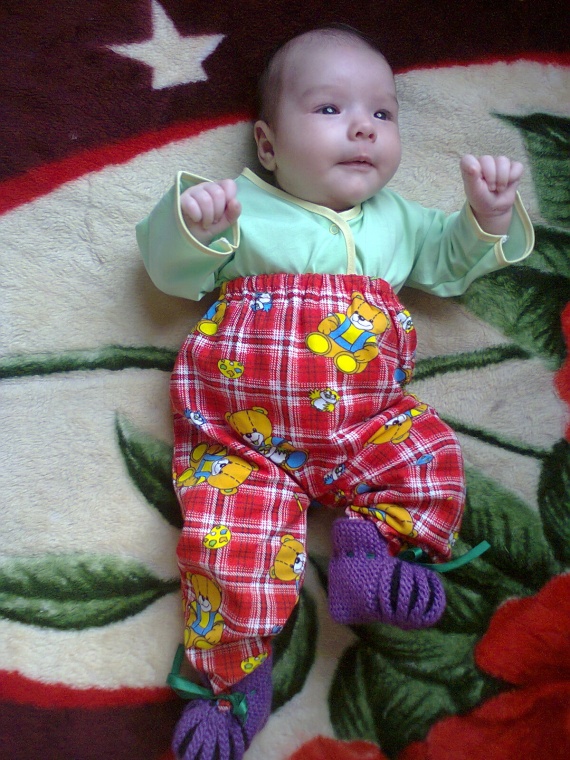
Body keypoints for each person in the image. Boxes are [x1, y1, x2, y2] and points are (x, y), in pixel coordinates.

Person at [137, 24, 534, 760]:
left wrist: (487, 218)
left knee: (425, 455)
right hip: (244, 441)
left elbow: (449, 266)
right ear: (266, 145)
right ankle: (230, 681)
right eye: (330, 109)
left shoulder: (399, 220)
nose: (363, 127)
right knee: (227, 546)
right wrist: (194, 229)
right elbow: (170, 276)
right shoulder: (241, 207)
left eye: (382, 113)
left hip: (363, 424)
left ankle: (369, 552)